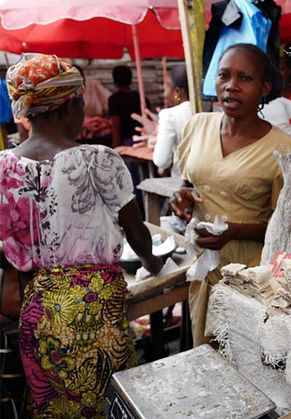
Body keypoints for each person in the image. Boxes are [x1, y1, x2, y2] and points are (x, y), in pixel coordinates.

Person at [0, 54, 164, 417]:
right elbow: (137, 235)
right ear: (70, 106)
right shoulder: (100, 159)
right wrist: (153, 263)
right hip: (96, 306)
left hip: (38, 307)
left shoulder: (3, 167)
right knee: (107, 401)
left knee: (52, 404)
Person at [172, 44, 291, 346]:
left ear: (264, 87)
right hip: (204, 265)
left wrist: (236, 231)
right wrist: (183, 198)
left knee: (241, 357)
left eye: (245, 78)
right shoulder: (197, 125)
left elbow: (287, 228)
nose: (231, 86)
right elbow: (189, 183)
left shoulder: (282, 149)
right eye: (224, 76)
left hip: (252, 277)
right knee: (205, 356)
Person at [151, 64, 193, 178]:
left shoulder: (170, 115)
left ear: (178, 92)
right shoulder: (212, 110)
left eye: (166, 88)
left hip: (184, 185)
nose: (164, 95)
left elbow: (161, 161)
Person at [108, 65, 148, 148]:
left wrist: (115, 147)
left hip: (126, 143)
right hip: (144, 140)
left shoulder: (114, 99)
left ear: (115, 80)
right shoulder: (142, 98)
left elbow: (116, 126)